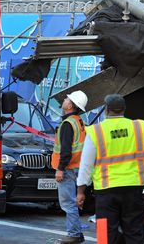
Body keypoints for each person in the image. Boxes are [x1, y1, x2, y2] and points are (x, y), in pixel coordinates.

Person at [76, 94, 144, 244]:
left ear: (106, 110)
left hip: (105, 193)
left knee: (104, 234)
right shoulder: (139, 127)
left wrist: (80, 192)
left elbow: (86, 165)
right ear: (124, 109)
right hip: (134, 191)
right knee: (134, 233)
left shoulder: (96, 131)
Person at [52, 90, 89, 244]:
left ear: (71, 106)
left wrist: (60, 169)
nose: (65, 100)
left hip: (68, 168)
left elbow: (66, 150)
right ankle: (77, 233)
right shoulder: (78, 120)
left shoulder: (68, 124)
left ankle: (73, 234)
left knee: (68, 203)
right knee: (73, 202)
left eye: (67, 99)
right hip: (76, 167)